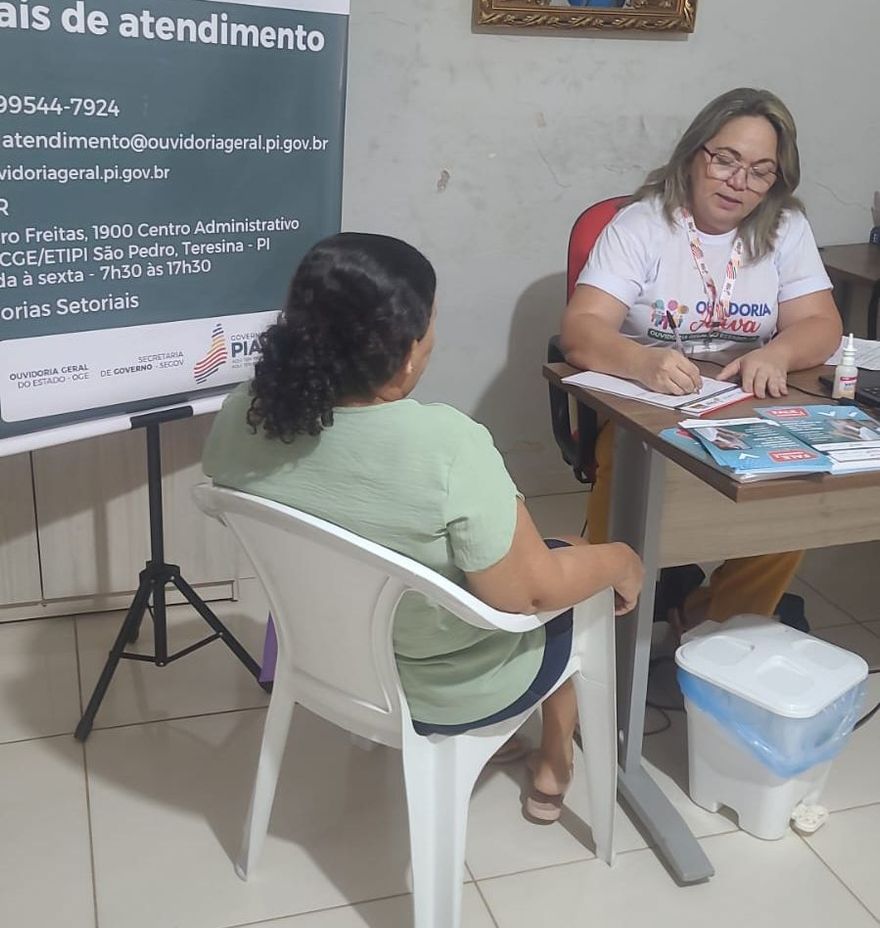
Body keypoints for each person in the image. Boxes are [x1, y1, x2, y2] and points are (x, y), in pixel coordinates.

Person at [203, 232, 643, 822]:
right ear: (407, 351)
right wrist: (619, 559)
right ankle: (554, 762)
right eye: (430, 324)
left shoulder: (246, 410)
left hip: (318, 658)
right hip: (445, 688)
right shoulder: (446, 448)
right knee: (575, 567)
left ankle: (525, 752)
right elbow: (527, 594)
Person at [561, 88, 842, 633]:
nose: (739, 182)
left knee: (796, 500)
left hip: (746, 411)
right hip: (649, 416)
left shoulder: (785, 228)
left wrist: (779, 352)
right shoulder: (642, 225)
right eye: (726, 160)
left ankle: (716, 630)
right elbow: (580, 330)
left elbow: (823, 323)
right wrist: (642, 362)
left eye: (761, 171)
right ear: (695, 153)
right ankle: (599, 638)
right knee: (628, 508)